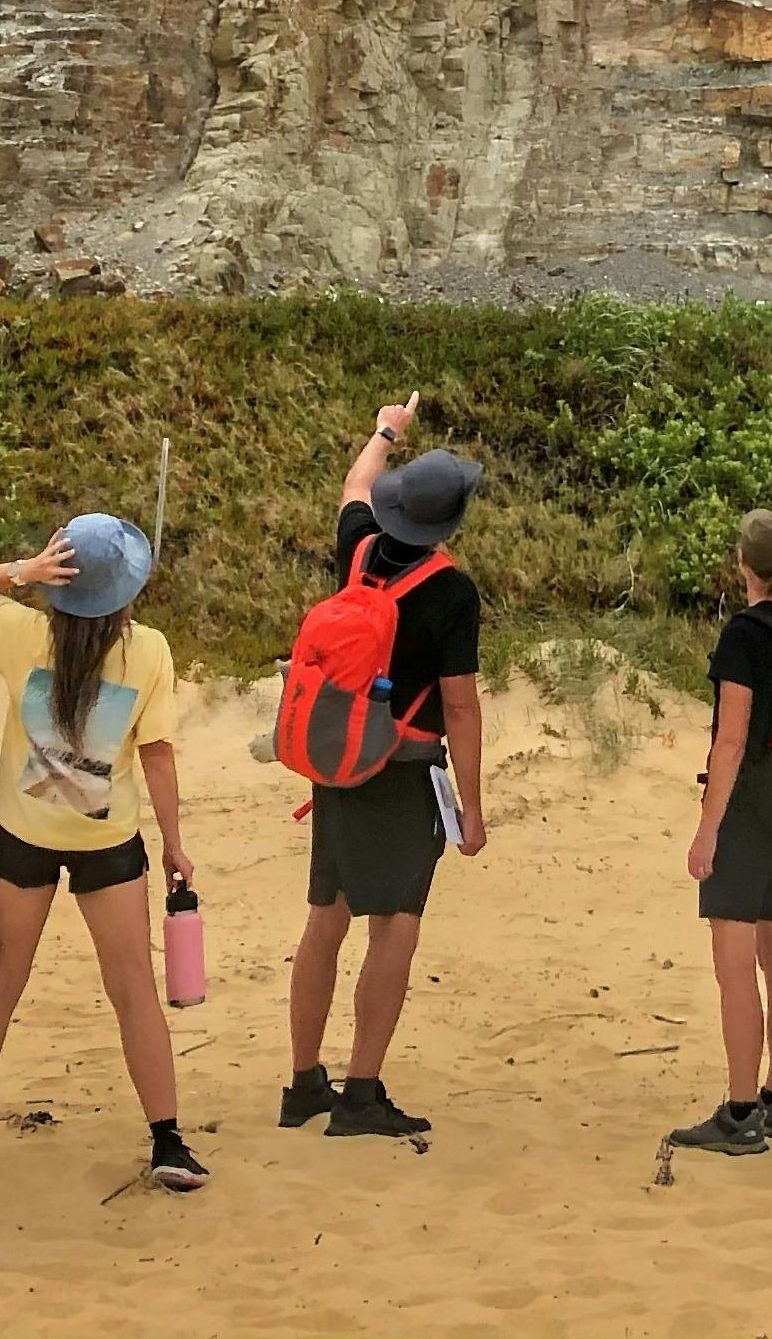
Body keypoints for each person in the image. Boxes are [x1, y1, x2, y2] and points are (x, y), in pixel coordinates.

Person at [0, 510, 207, 1193]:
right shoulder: (148, 651)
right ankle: (168, 1139)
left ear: (60, 578)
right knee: (134, 992)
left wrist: (26, 569)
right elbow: (159, 757)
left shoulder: (21, 631)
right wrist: (174, 844)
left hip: (24, 836)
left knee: (0, 982)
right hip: (106, 840)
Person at [281, 395, 487, 1140]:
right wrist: (471, 807)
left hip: (337, 759)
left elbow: (355, 483)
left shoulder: (359, 546)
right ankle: (362, 1092)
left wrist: (387, 429)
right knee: (395, 925)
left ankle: (304, 1081)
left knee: (325, 920)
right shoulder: (451, 591)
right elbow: (460, 709)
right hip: (403, 773)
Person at [667, 509, 772, 1159]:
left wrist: (708, 829)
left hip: (748, 814)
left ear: (743, 565)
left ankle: (740, 1114)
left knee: (735, 965)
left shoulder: (743, 635)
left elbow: (730, 740)